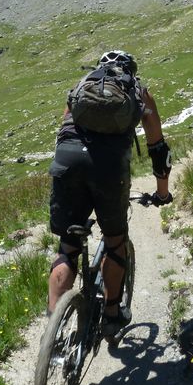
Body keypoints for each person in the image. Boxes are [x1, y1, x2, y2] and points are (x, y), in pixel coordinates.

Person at [47, 49, 172, 336]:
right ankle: (113, 314)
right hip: (109, 170)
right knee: (115, 241)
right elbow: (158, 149)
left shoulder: (81, 87)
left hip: (67, 163)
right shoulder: (138, 91)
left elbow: (63, 132)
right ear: (131, 71)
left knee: (68, 247)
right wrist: (162, 193)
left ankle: (52, 331)